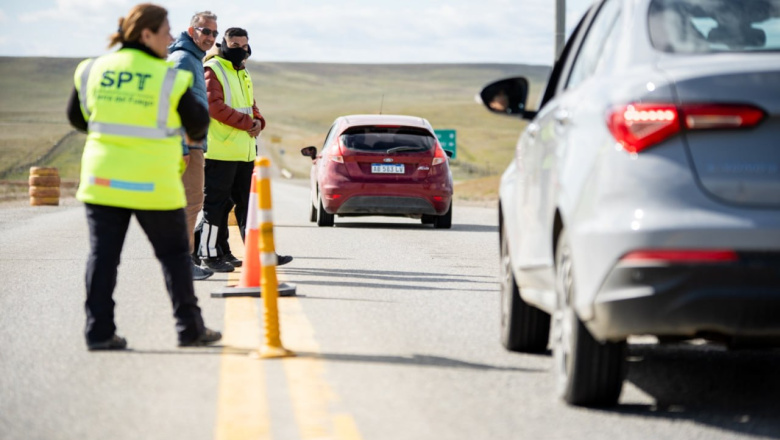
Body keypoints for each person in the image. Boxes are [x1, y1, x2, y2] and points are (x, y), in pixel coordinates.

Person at [66, 3, 221, 350]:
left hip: (102, 181)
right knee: (174, 257)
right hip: (153, 183)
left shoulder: (92, 69)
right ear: (146, 34)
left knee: (103, 257)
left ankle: (99, 332)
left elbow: (77, 119)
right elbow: (198, 124)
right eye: (166, 31)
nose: (171, 37)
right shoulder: (169, 77)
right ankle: (189, 329)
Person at [198, 27, 292, 271]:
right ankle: (209, 254)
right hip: (220, 152)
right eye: (234, 44)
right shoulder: (213, 69)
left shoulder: (243, 72)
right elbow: (213, 106)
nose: (240, 49)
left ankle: (259, 253)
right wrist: (246, 123)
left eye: (243, 45)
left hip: (245, 151)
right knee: (215, 206)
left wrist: (259, 122)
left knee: (247, 206)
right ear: (224, 44)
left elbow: (251, 106)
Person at [167, 10, 218, 281]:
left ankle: (182, 261)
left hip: (193, 144)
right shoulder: (184, 60)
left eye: (213, 32)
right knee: (190, 204)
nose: (209, 36)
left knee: (189, 204)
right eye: (204, 31)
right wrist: (183, 148)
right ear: (191, 31)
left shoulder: (193, 59)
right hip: (187, 145)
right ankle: (182, 264)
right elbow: (170, 104)